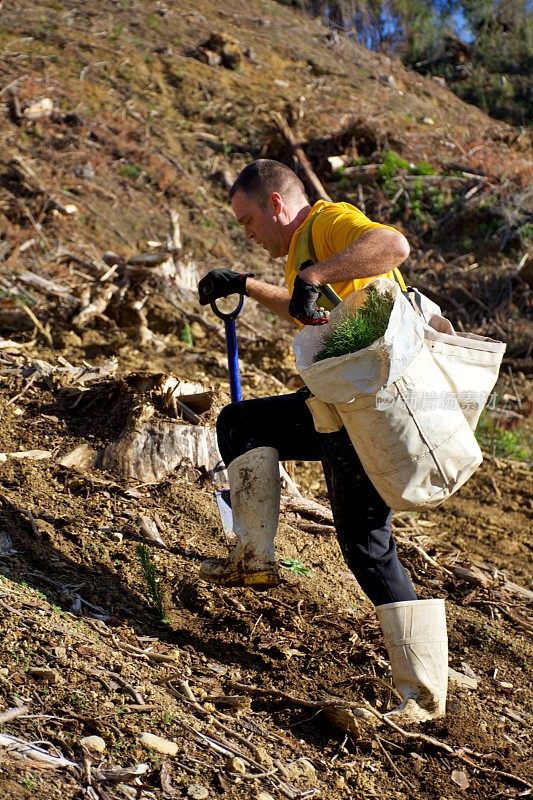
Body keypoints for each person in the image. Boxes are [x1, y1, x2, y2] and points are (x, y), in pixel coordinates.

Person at [197, 159, 448, 724]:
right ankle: (254, 556)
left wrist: (315, 275)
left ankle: (425, 694)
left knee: (365, 542)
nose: (247, 233)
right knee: (240, 423)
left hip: (371, 411)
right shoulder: (300, 253)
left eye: (247, 221)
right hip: (338, 407)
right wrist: (243, 284)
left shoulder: (329, 222)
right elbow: (302, 309)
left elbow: (392, 245)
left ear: (277, 205)